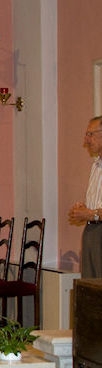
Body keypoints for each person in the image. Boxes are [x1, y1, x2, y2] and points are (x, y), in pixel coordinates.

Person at [69, 116, 102, 277]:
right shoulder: (96, 166)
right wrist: (84, 210)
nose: (86, 140)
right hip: (91, 232)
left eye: (90, 134)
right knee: (89, 285)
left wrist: (92, 214)